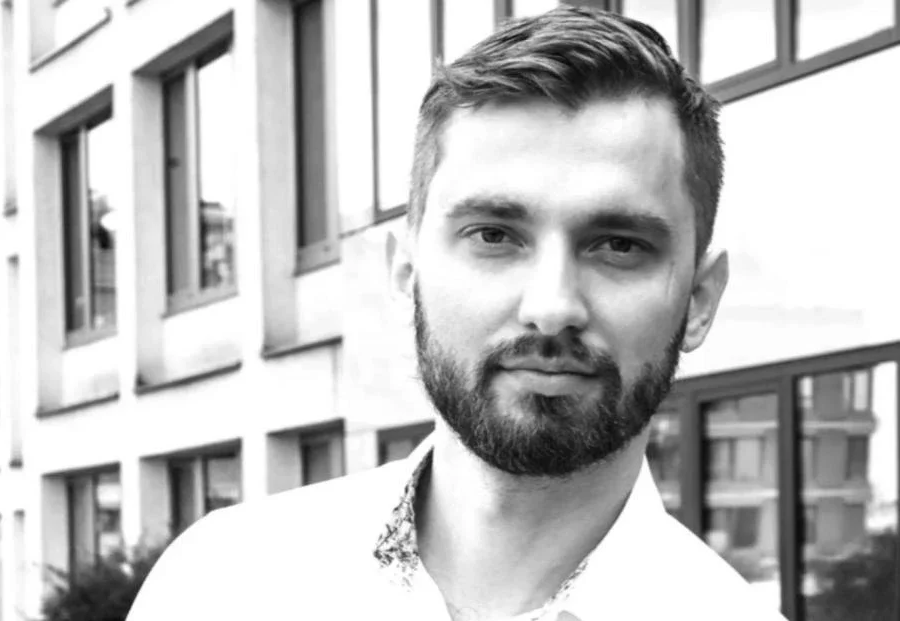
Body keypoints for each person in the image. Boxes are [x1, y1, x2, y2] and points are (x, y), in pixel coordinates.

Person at [128, 6, 787, 620]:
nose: (551, 306)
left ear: (699, 300)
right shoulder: (217, 584)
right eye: (494, 235)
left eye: (618, 245)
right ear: (405, 271)